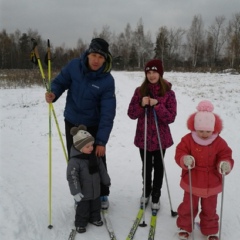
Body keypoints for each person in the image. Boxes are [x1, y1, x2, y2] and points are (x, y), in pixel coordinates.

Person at [45, 38, 116, 208]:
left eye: (100, 57)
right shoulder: (74, 66)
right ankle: (80, 193)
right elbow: (60, 82)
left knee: (96, 159)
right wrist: (53, 93)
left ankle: (102, 193)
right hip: (73, 124)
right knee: (76, 160)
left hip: (93, 125)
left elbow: (108, 113)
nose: (96, 60)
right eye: (93, 55)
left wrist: (101, 141)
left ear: (105, 59)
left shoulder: (107, 80)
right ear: (88, 54)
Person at [175, 100, 234, 240]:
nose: (204, 134)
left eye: (208, 131)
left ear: (214, 128)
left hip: (212, 181)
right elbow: (180, 152)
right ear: (194, 127)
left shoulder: (219, 141)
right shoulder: (188, 139)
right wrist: (185, 159)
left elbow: (225, 155)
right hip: (192, 179)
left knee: (210, 209)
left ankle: (210, 230)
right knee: (188, 206)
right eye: (201, 130)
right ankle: (185, 226)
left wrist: (225, 163)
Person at [127, 59, 177, 210]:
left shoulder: (168, 93)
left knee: (159, 167)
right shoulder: (139, 91)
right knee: (146, 167)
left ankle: (156, 195)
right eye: (148, 72)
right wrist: (141, 104)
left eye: (154, 72)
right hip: (144, 138)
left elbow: (171, 117)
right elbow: (131, 114)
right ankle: (146, 192)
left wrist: (157, 105)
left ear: (160, 73)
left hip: (161, 138)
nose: (151, 75)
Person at [67, 125, 111, 233]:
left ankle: (95, 218)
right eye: (88, 147)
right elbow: (72, 177)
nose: (91, 148)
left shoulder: (94, 156)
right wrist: (76, 192)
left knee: (96, 206)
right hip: (83, 192)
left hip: (96, 189)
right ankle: (81, 223)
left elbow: (102, 169)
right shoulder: (74, 161)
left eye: (92, 145)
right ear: (79, 147)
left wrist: (106, 181)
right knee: (83, 209)